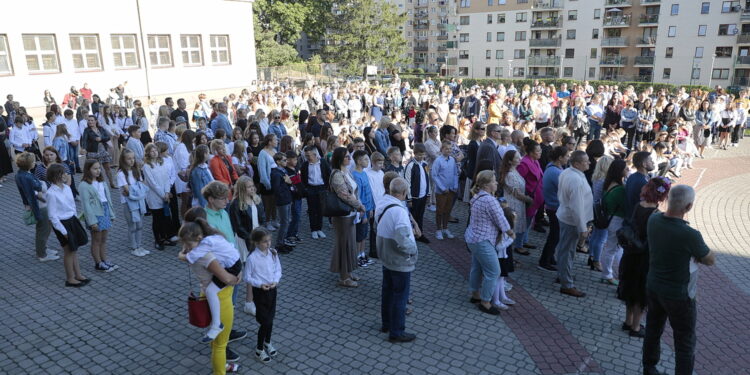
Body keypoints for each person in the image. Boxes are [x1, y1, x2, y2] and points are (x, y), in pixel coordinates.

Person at [642, 185, 715, 375]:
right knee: (684, 342)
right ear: (689, 207)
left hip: (654, 286)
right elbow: (710, 259)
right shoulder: (690, 235)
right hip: (679, 295)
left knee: (653, 330)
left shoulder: (654, 219)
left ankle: (649, 368)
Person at [177, 218, 241, 374]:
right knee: (220, 345)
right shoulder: (206, 255)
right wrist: (236, 278)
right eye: (185, 244)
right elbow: (227, 279)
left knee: (215, 344)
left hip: (207, 293)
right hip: (222, 298)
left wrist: (181, 253)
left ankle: (222, 366)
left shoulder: (203, 248)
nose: (187, 247)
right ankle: (220, 369)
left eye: (188, 244)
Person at [617, 176, 671, 339]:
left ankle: (627, 321)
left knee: (628, 286)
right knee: (640, 292)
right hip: (644, 258)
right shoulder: (656, 214)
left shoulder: (637, 206)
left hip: (630, 254)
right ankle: (635, 326)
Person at [376, 177, 418, 342]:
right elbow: (402, 238)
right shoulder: (399, 211)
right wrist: (413, 250)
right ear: (404, 193)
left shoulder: (383, 202)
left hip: (385, 254)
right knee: (400, 295)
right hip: (398, 258)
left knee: (387, 291)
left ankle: (386, 323)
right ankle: (397, 331)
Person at [466, 170, 514, 315]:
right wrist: (510, 232)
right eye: (494, 181)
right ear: (486, 185)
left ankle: (475, 295)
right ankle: (485, 302)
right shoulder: (490, 200)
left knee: (477, 267)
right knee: (494, 271)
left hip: (473, 238)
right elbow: (501, 219)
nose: (496, 183)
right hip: (483, 241)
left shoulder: (477, 196)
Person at [555, 150, 592, 298]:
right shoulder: (575, 180)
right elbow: (577, 207)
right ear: (576, 164)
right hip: (571, 220)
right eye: (586, 161)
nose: (589, 163)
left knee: (565, 249)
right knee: (567, 251)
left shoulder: (567, 172)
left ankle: (563, 274)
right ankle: (567, 284)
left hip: (565, 216)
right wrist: (582, 228)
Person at [46, 163, 90, 287]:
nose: (66, 174)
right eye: (63, 173)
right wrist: (63, 232)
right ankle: (70, 278)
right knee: (69, 251)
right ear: (56, 176)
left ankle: (78, 275)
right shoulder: (51, 193)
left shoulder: (66, 188)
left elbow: (72, 206)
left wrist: (75, 219)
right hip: (62, 224)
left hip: (72, 220)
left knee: (74, 249)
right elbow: (52, 216)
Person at [228, 176, 265, 316]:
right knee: (248, 271)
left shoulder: (257, 199)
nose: (253, 189)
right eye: (249, 187)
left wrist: (262, 236)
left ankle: (250, 301)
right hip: (244, 242)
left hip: (256, 239)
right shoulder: (236, 204)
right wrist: (252, 239)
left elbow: (262, 219)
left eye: (253, 186)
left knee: (254, 271)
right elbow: (238, 228)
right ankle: (243, 303)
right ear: (243, 189)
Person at [329, 147, 366, 288]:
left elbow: (354, 191)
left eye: (349, 157)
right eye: (346, 157)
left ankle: (348, 272)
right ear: (339, 159)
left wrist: (358, 205)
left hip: (350, 214)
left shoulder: (347, 172)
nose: (349, 159)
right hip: (342, 215)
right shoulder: (337, 174)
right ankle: (343, 277)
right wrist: (359, 206)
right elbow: (344, 194)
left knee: (349, 244)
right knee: (344, 245)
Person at [243, 227, 281, 362]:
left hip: (272, 290)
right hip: (260, 292)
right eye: (265, 241)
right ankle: (259, 350)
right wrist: (260, 284)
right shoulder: (252, 258)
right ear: (257, 242)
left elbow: (278, 270)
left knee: (270, 319)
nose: (268, 243)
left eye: (269, 240)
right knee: (265, 321)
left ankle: (267, 342)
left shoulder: (273, 253)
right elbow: (247, 277)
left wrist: (275, 281)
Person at [15, 152, 58, 262]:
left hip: (41, 204)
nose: (35, 163)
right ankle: (42, 254)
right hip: (40, 206)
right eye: (33, 161)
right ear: (28, 164)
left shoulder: (22, 174)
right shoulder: (27, 177)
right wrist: (40, 192)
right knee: (43, 230)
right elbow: (32, 192)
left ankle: (43, 248)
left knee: (45, 228)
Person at [79, 159, 118, 272]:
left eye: (99, 168)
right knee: (96, 239)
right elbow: (86, 205)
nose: (98, 171)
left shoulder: (102, 182)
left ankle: (104, 259)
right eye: (94, 169)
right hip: (95, 214)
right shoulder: (84, 185)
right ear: (88, 170)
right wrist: (92, 221)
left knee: (104, 239)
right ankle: (98, 263)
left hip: (105, 211)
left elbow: (108, 199)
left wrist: (111, 214)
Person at [538, 146, 569, 272]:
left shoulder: (553, 167)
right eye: (566, 156)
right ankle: (544, 261)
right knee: (554, 236)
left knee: (555, 235)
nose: (568, 158)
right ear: (560, 158)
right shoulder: (556, 172)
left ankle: (549, 257)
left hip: (553, 206)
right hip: (554, 207)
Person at [117, 149, 149, 257]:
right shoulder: (121, 174)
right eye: (129, 159)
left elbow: (142, 185)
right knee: (132, 226)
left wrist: (135, 189)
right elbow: (127, 190)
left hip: (139, 201)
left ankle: (139, 245)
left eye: (133, 158)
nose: (132, 161)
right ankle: (133, 247)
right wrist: (136, 189)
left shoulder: (136, 170)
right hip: (128, 203)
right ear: (123, 160)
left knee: (139, 225)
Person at [600, 159, 627, 285]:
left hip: (611, 218)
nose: (628, 170)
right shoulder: (620, 189)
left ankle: (607, 273)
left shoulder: (608, 184)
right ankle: (607, 274)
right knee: (611, 248)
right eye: (626, 169)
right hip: (617, 219)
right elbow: (624, 206)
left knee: (612, 247)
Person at [142, 143, 175, 250]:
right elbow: (152, 184)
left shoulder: (162, 163)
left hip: (164, 195)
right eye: (152, 151)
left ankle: (165, 237)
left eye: (155, 150)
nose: (154, 152)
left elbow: (166, 179)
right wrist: (162, 194)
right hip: (154, 196)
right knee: (157, 219)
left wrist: (167, 192)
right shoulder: (146, 166)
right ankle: (157, 239)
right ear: (148, 153)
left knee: (164, 218)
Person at [301, 145, 331, 240]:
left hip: (321, 188)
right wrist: (306, 189)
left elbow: (328, 174)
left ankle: (319, 229)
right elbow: (302, 178)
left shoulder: (323, 162)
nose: (308, 157)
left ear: (315, 154)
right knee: (312, 210)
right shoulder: (305, 165)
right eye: (306, 155)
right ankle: (313, 229)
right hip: (311, 188)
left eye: (309, 155)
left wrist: (327, 188)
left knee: (320, 209)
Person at [351, 150, 375, 266]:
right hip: (361, 212)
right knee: (359, 235)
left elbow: (369, 192)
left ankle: (362, 254)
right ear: (359, 161)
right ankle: (357, 256)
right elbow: (359, 197)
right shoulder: (355, 176)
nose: (368, 161)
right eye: (365, 159)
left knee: (364, 234)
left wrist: (371, 208)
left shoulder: (364, 173)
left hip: (368, 209)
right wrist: (364, 213)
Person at [431, 141, 459, 240]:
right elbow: (434, 175)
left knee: (448, 210)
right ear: (441, 149)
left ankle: (445, 228)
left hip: (451, 189)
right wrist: (442, 188)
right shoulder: (438, 161)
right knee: (440, 210)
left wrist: (455, 185)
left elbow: (455, 173)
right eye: (446, 149)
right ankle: (438, 229)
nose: (449, 150)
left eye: (450, 149)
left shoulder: (452, 160)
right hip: (441, 190)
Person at [404, 143, 430, 244]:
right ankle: (412, 235)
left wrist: (428, 193)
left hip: (423, 195)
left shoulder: (425, 164)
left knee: (420, 215)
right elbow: (407, 182)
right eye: (419, 154)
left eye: (423, 154)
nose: (421, 156)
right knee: (413, 217)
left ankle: (420, 234)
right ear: (414, 154)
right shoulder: (410, 166)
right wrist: (409, 198)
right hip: (414, 197)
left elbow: (427, 179)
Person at [81, 115, 115, 188]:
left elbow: (107, 137)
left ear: (96, 121)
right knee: (95, 169)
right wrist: (84, 148)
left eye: (92, 120)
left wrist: (101, 138)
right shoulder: (87, 130)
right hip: (93, 152)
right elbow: (84, 140)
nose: (90, 122)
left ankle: (112, 183)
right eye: (89, 120)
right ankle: (97, 184)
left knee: (107, 168)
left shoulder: (101, 128)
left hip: (103, 151)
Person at [270, 152, 294, 253]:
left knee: (287, 221)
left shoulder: (283, 170)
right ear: (278, 161)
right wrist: (287, 182)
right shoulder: (276, 173)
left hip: (287, 199)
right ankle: (279, 244)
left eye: (286, 159)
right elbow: (276, 189)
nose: (286, 161)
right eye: (284, 160)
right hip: (283, 201)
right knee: (284, 222)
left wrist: (289, 183)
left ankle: (283, 241)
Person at [625, 151, 654, 219]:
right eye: (650, 160)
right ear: (644, 164)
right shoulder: (642, 182)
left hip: (632, 216)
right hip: (638, 220)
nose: (653, 162)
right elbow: (649, 203)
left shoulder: (633, 176)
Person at [258, 134, 278, 230]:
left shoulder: (274, 151)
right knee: (268, 204)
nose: (277, 141)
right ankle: (267, 222)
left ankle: (274, 220)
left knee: (274, 202)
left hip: (275, 181)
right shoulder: (263, 153)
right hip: (267, 182)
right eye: (275, 140)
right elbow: (262, 170)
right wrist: (267, 183)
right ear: (269, 142)